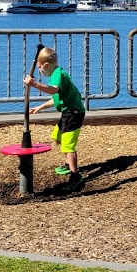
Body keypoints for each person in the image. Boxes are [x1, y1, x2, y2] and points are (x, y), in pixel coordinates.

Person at [24, 46, 86, 192]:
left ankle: (75, 176)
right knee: (57, 136)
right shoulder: (56, 74)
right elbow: (56, 98)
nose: (39, 71)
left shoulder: (57, 75)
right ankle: (67, 164)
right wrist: (39, 108)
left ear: (46, 65)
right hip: (68, 112)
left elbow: (53, 90)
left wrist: (34, 84)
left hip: (74, 113)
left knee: (68, 145)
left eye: (40, 68)